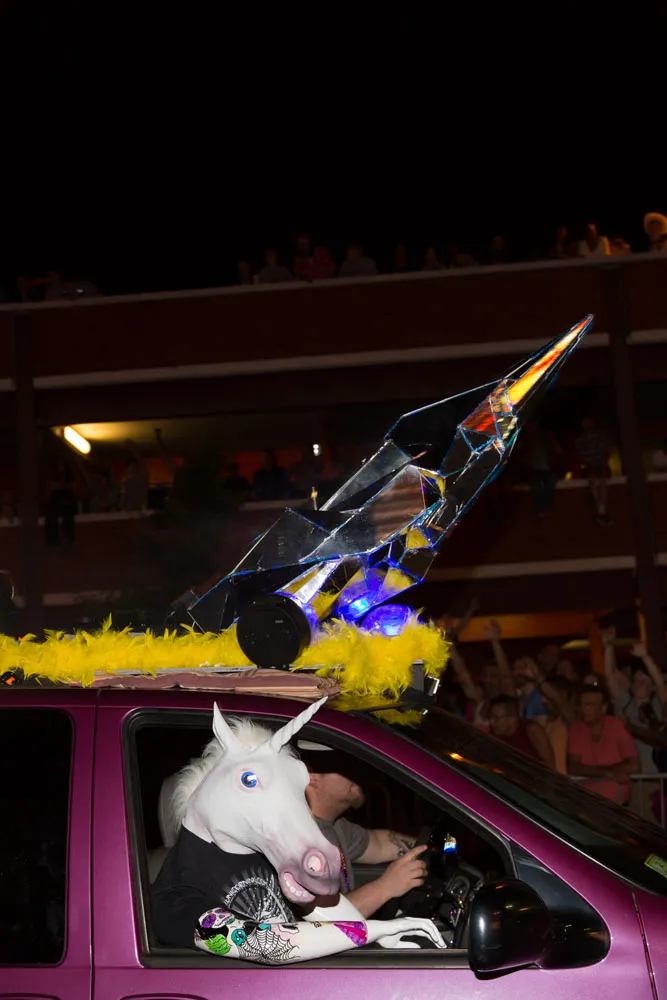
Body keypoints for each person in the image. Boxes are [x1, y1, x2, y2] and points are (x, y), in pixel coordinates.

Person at [301, 746, 429, 917]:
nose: (357, 770)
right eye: (345, 763)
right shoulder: (299, 839)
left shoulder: (336, 826)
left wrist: (429, 846)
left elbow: (380, 843)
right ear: (312, 777)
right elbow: (323, 919)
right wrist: (386, 886)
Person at [601, 626, 667, 819]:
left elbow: (661, 684)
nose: (638, 684)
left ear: (651, 686)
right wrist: (608, 646)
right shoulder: (625, 703)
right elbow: (610, 676)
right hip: (633, 780)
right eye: (636, 680)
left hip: (657, 780)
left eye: (643, 681)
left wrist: (645, 656)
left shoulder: (658, 705)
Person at [567, 686, 639, 804]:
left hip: (617, 803)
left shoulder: (616, 726)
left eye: (590, 705)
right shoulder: (576, 728)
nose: (585, 709)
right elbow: (574, 766)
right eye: (582, 704)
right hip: (586, 801)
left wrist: (597, 771)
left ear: (603, 708)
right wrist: (609, 772)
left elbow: (634, 765)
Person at [487, 696, 555, 766]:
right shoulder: (495, 735)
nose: (491, 722)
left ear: (512, 719)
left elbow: (550, 767)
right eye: (490, 717)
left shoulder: (532, 730)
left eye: (496, 718)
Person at [574, 417, 613, 526]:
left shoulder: (600, 437)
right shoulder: (580, 440)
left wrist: (601, 461)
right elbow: (581, 455)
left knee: (603, 481)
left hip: (600, 464)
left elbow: (605, 451)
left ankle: (602, 509)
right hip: (590, 465)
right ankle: (600, 509)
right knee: (593, 482)